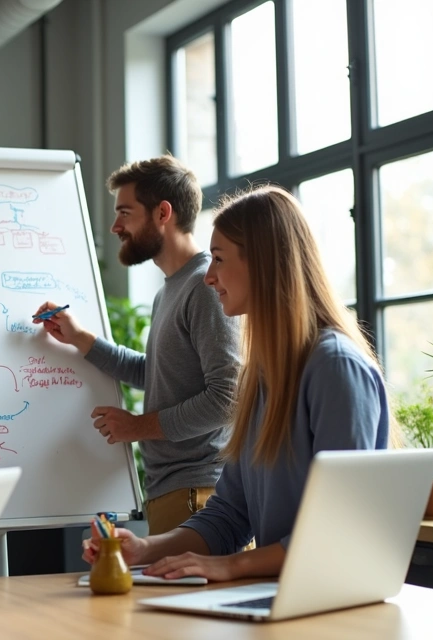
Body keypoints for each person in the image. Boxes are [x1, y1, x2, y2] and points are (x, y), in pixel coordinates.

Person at [82, 185, 393, 582]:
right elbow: (230, 514)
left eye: (219, 260)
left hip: (330, 606)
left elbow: (335, 532)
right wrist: (144, 548)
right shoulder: (262, 377)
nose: (209, 277)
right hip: (282, 599)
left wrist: (230, 565)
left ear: (264, 264)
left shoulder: (335, 367)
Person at [33, 154, 241, 535]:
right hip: (176, 492)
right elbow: (157, 373)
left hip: (199, 494)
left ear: (163, 213)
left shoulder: (204, 288)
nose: (115, 227)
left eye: (125, 213)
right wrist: (81, 339)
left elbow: (229, 397)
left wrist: (138, 426)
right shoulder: (172, 290)